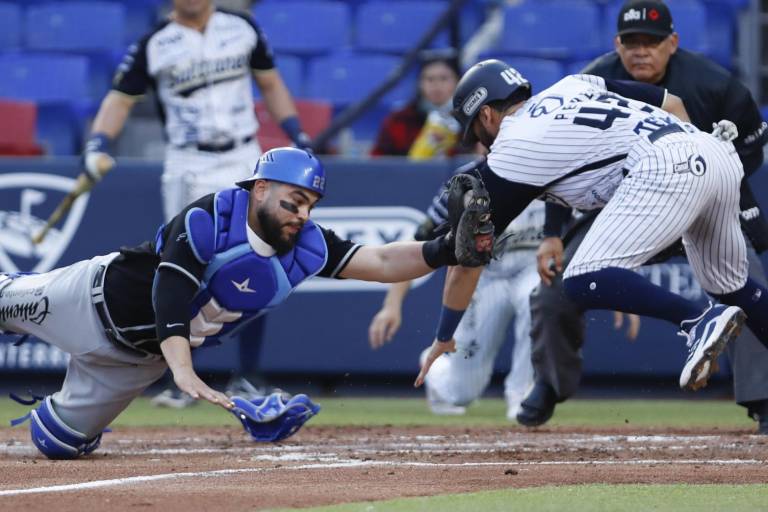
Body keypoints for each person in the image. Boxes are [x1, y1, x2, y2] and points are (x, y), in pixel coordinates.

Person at [0, 147, 460, 459]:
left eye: (309, 206)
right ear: (261, 188)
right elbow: (171, 290)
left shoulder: (308, 245)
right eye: (294, 201)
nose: (302, 214)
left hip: (135, 362)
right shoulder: (212, 216)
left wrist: (446, 248)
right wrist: (182, 370)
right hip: (90, 300)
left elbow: (380, 261)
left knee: (58, 442)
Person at [415, 60, 768, 418]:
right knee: (735, 286)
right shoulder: (572, 84)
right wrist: (696, 165)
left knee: (581, 277)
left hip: (666, 167)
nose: (480, 141)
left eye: (475, 130)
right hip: (713, 153)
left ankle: (696, 320)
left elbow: (467, 261)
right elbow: (672, 101)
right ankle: (707, 318)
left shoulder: (511, 148)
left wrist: (445, 334)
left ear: (487, 114)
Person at [519, 0, 768, 432]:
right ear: (617, 44)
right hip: (623, 207)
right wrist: (551, 233)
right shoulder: (593, 81)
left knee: (748, 282)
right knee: (556, 288)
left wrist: (722, 190)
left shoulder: (714, 85)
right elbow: (555, 157)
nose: (640, 52)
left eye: (651, 43)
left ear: (672, 43)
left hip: (701, 198)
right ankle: (551, 382)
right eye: (631, 43)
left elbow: (749, 146)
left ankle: (763, 398)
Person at [81, 0, 313, 407]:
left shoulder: (241, 28)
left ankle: (247, 375)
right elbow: (119, 99)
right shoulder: (155, 42)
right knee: (186, 265)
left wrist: (296, 132)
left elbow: (271, 83)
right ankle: (182, 378)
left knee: (259, 257)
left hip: (243, 155)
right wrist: (98, 144)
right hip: (188, 161)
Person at [368, 162, 540, 418]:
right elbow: (420, 241)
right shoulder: (467, 178)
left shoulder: (553, 160)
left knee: (534, 297)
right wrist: (392, 304)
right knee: (462, 391)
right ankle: (439, 374)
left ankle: (522, 396)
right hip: (485, 277)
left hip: (532, 268)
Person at [370, 51, 462, 158]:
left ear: (458, 81)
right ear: (420, 83)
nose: (436, 85)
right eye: (430, 79)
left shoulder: (472, 120)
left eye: (443, 78)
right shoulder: (399, 119)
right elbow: (377, 163)